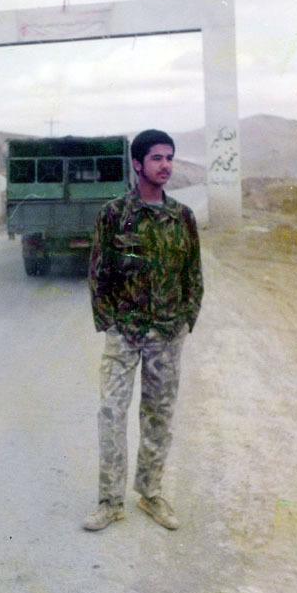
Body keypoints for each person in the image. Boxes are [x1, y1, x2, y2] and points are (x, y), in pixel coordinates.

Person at [83, 129, 203, 531]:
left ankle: (150, 494)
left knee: (159, 416)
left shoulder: (182, 217)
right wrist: (109, 322)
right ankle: (110, 502)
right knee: (111, 413)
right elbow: (98, 272)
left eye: (169, 157)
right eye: (156, 158)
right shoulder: (114, 214)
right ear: (137, 164)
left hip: (166, 335)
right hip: (125, 333)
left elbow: (193, 273)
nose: (165, 165)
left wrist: (186, 319)